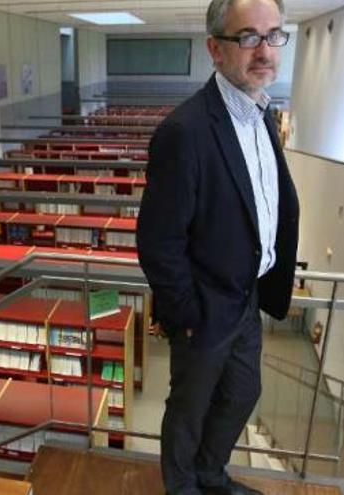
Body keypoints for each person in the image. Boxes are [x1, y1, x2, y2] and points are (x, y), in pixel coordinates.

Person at [136, 0, 299, 493]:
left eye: (273, 36)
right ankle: (183, 487)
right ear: (215, 48)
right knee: (189, 408)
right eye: (247, 37)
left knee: (242, 393)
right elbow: (158, 241)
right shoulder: (184, 131)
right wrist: (186, 314)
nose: (264, 50)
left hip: (246, 298)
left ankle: (210, 474)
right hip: (205, 307)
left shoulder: (262, 116)